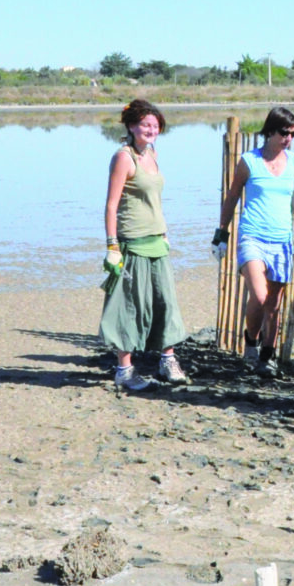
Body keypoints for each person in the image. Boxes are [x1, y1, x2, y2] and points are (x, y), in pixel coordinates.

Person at [213, 107, 294, 379]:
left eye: (293, 134)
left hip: (282, 240)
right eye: (284, 133)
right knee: (259, 296)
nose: (289, 138)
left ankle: (267, 357)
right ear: (270, 130)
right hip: (252, 237)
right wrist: (221, 234)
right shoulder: (249, 160)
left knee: (273, 304)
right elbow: (233, 196)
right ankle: (251, 342)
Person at [98, 99, 188, 391]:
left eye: (155, 125)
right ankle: (124, 371)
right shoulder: (124, 157)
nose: (151, 130)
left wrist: (163, 233)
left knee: (165, 304)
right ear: (132, 126)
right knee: (128, 307)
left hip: (156, 241)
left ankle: (167, 361)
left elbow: (155, 200)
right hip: (132, 242)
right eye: (145, 125)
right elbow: (111, 205)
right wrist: (112, 246)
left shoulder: (152, 154)